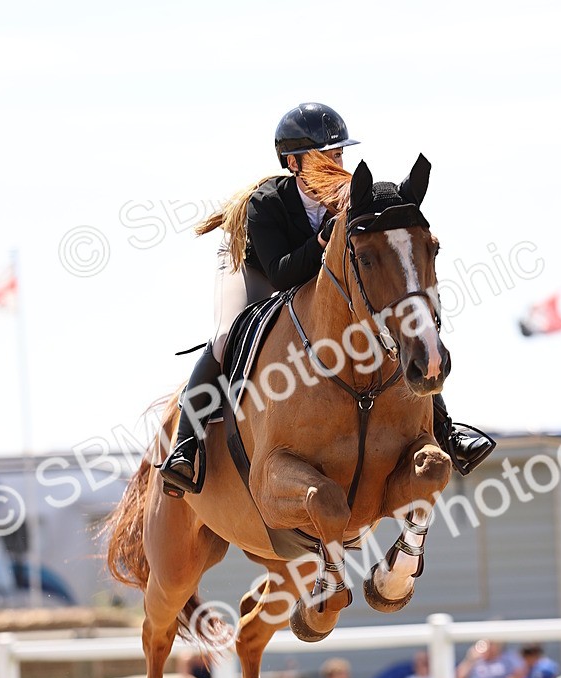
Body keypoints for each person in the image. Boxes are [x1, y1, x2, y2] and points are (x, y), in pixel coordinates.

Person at [159, 101, 496, 497]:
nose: (334, 163)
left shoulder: (352, 194)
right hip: (257, 270)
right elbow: (283, 273)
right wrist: (323, 240)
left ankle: (445, 429)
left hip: (316, 280)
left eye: (337, 154)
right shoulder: (266, 204)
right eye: (323, 155)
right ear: (293, 162)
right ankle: (187, 445)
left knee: (393, 326)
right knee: (224, 337)